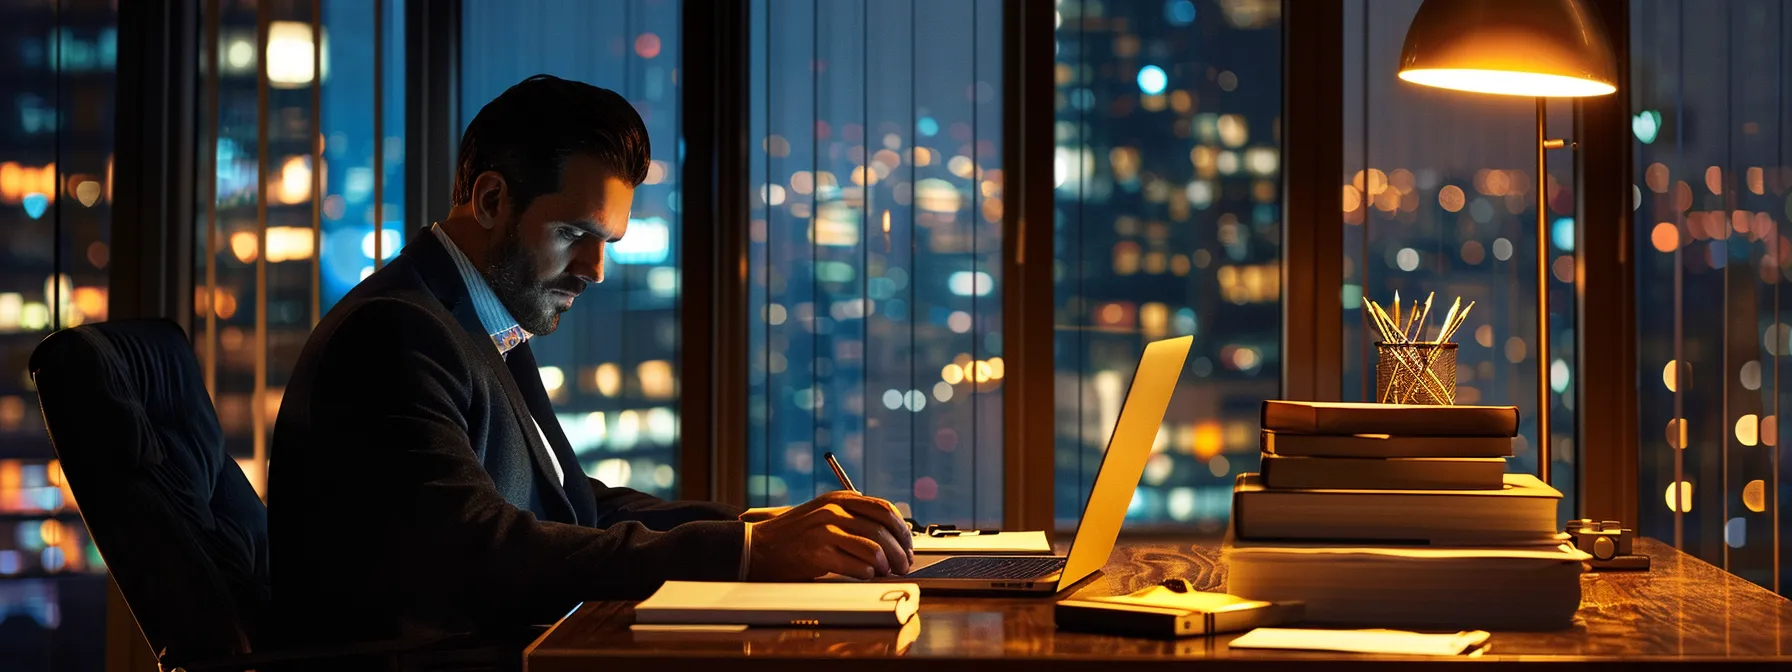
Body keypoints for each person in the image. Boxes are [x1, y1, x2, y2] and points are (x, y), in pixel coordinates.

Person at [269, 74, 911, 645]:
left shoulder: (472, 316)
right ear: (491, 201)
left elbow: (572, 505)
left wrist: (754, 527)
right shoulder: (396, 334)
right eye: (575, 234)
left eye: (606, 242)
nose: (595, 270)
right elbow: (482, 554)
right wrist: (747, 551)